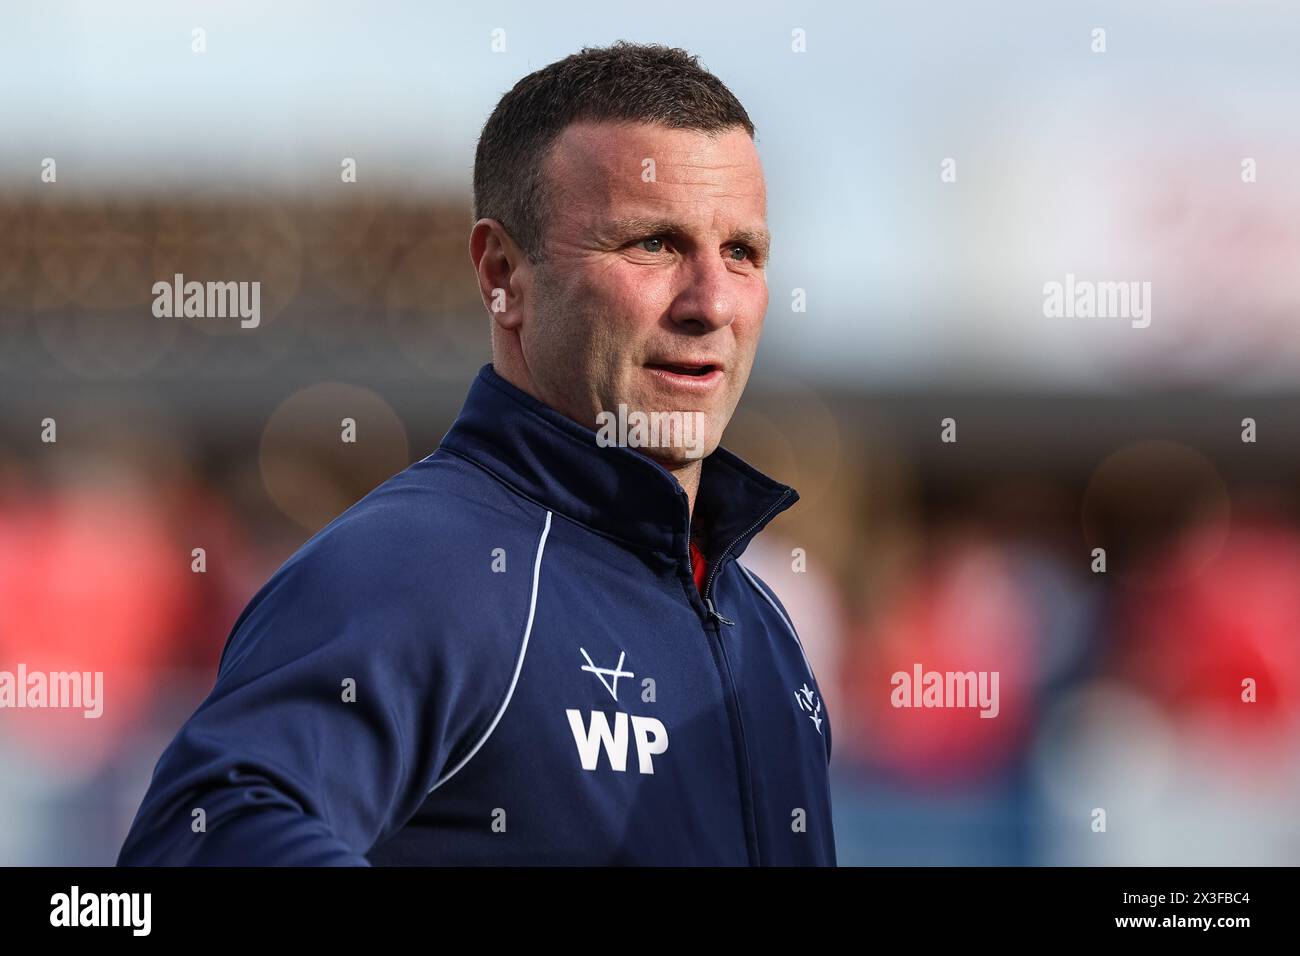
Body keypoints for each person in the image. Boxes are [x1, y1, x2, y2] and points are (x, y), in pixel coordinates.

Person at [118, 41, 835, 866]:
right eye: (653, 244)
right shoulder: (418, 569)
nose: (713, 303)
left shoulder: (765, 622)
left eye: (742, 252)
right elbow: (197, 840)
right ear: (503, 273)